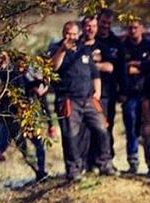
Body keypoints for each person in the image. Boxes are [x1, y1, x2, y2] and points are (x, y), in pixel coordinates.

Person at [49, 21, 115, 180]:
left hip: (89, 99)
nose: (71, 36)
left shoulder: (84, 50)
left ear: (78, 34)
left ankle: (105, 164)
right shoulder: (55, 48)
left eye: (73, 33)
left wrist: (97, 92)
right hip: (68, 99)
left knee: (102, 128)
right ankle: (74, 169)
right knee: (71, 135)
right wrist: (63, 50)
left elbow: (95, 73)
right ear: (63, 33)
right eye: (68, 33)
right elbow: (52, 67)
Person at [119, 19, 150, 174]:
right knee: (131, 130)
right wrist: (136, 65)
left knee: (149, 129)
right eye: (130, 28)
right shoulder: (122, 47)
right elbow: (121, 69)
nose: (133, 30)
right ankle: (133, 162)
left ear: (142, 28)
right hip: (129, 94)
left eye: (135, 27)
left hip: (148, 93)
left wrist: (136, 66)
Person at [96, 9, 124, 157]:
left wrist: (122, 91)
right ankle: (90, 162)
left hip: (108, 92)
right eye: (103, 22)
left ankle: (106, 159)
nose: (105, 26)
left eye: (108, 23)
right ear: (97, 21)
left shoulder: (116, 43)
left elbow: (120, 69)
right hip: (88, 92)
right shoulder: (88, 40)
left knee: (107, 126)